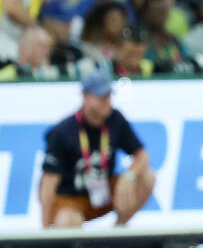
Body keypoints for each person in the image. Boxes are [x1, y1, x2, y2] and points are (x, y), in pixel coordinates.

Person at [40, 68, 156, 228]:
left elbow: (141, 154)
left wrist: (129, 176)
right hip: (70, 199)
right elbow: (48, 183)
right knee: (68, 220)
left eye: (108, 96)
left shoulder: (115, 119)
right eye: (101, 96)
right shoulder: (63, 132)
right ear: (85, 96)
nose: (106, 101)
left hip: (103, 193)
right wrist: (45, 232)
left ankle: (117, 233)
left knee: (146, 177)